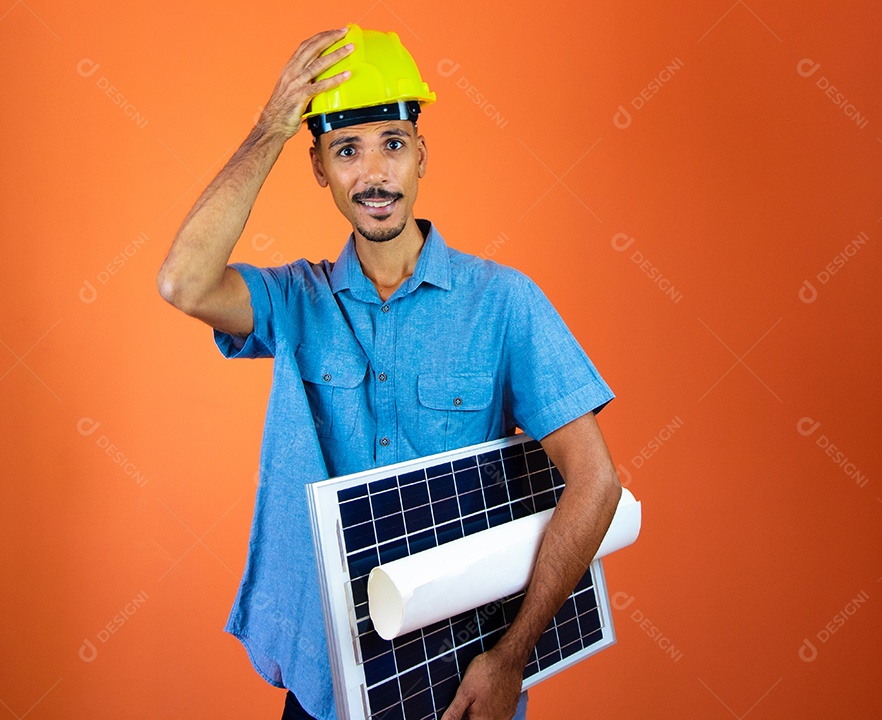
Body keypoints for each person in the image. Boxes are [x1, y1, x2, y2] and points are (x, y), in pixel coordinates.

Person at [157, 24, 622, 720]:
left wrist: (510, 660)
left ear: (420, 155)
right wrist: (269, 128)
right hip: (327, 689)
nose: (374, 175)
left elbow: (597, 483)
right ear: (318, 167)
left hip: (461, 686)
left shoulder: (503, 303)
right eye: (347, 150)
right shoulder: (295, 302)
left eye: (393, 145)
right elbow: (183, 284)